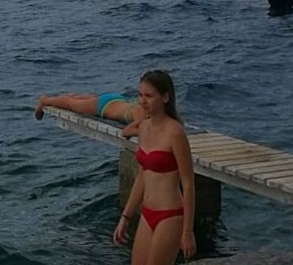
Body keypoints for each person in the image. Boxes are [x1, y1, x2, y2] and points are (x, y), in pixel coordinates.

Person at [112, 69, 195, 263]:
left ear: (165, 97)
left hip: (170, 215)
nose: (142, 101)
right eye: (140, 95)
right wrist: (126, 216)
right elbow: (142, 176)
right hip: (147, 214)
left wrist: (188, 232)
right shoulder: (144, 128)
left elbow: (188, 183)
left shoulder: (175, 132)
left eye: (149, 96)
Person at [34, 90, 144, 132]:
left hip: (117, 101)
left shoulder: (149, 111)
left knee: (79, 101)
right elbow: (126, 132)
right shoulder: (142, 114)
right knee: (70, 104)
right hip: (103, 107)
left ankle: (71, 95)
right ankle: (44, 100)